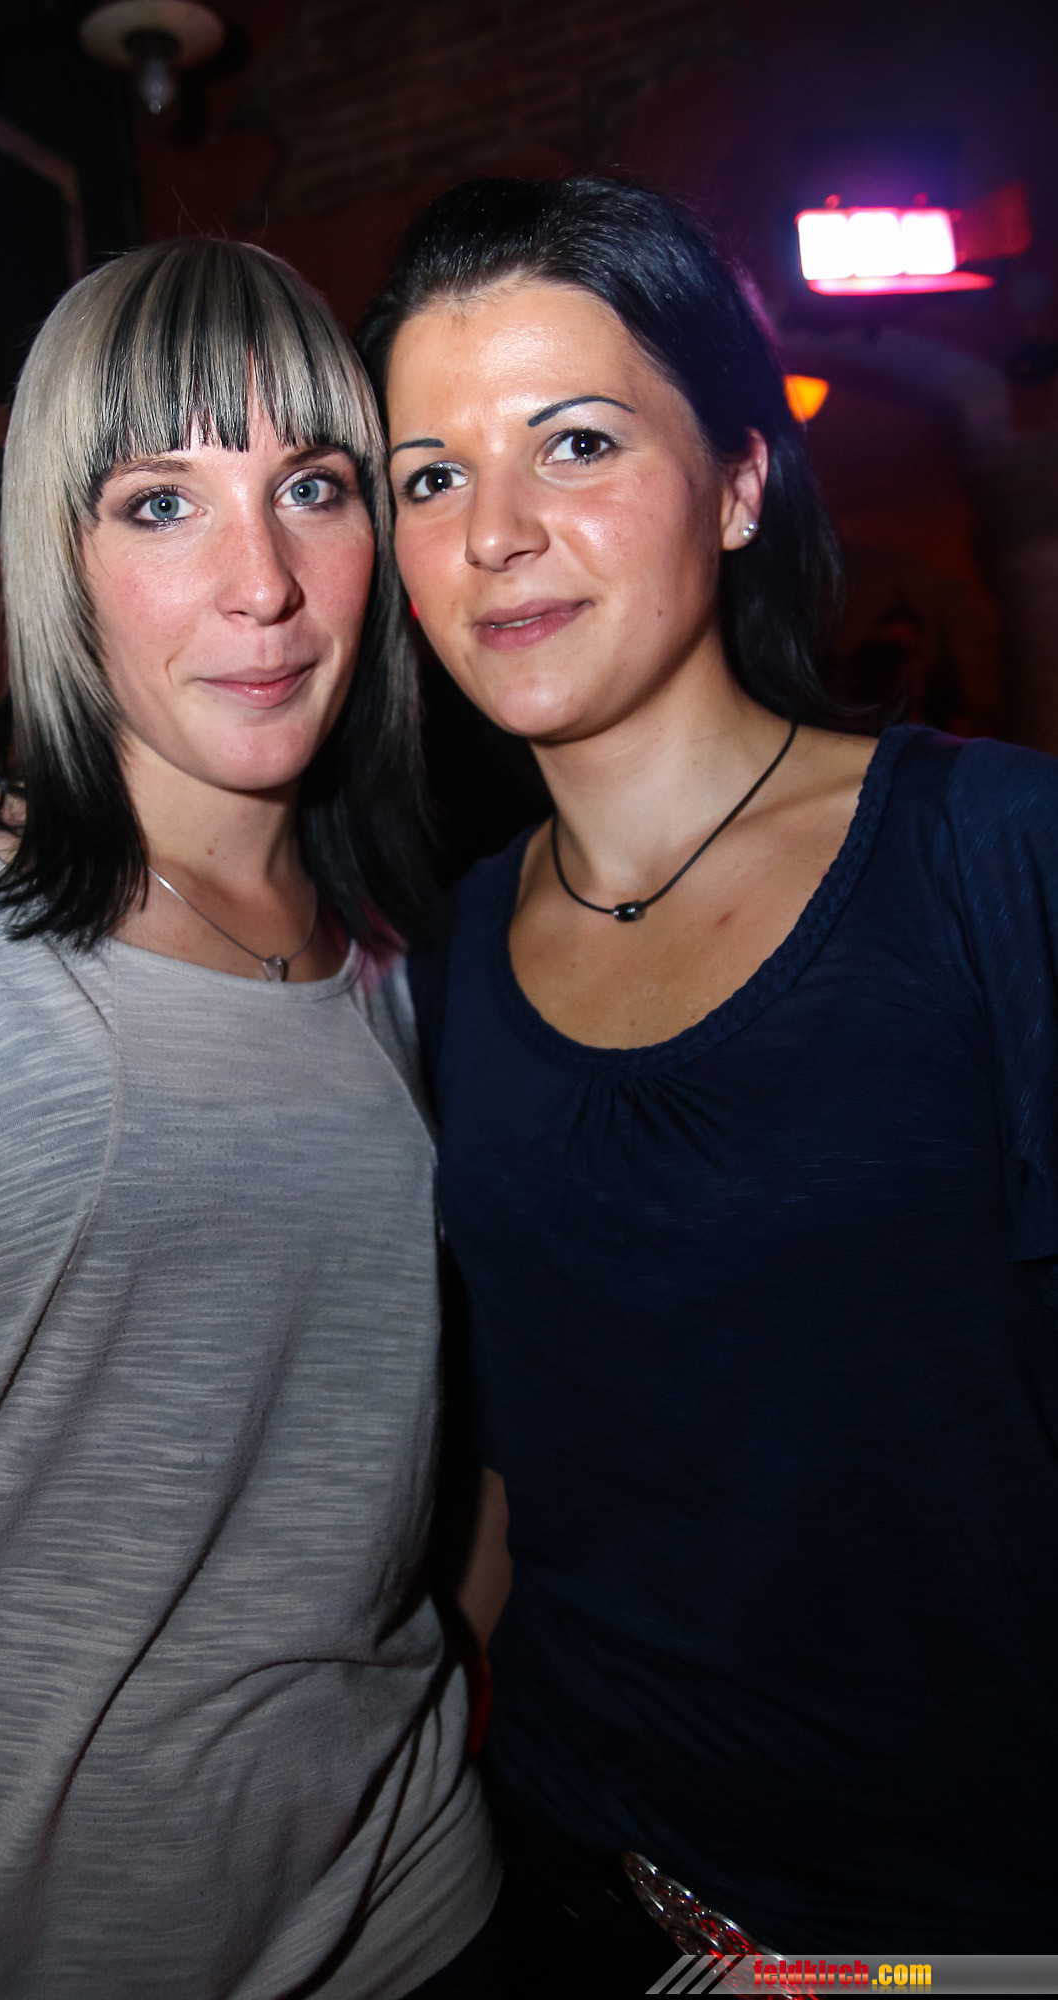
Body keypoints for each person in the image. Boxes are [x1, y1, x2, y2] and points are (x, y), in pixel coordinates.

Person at [0, 237, 500, 1999]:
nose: (261, 583)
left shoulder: (417, 969)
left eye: (314, 488)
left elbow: (453, 1445)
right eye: (161, 503)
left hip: (405, 1929)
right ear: (57, 556)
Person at [356, 175, 1058, 1986]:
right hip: (563, 1895)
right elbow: (509, 1459)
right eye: (428, 477)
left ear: (741, 481)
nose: (494, 533)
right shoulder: (432, 961)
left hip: (956, 1943)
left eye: (575, 444)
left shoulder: (995, 858)